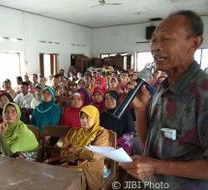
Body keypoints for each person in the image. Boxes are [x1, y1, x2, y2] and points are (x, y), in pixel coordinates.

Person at [120, 10, 208, 189]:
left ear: (195, 43)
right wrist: (141, 109)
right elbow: (150, 147)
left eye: (166, 38)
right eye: (153, 40)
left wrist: (157, 167)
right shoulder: (160, 90)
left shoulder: (203, 93)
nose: (156, 47)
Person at [60, 105, 109, 190]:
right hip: (70, 165)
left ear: (94, 118)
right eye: (82, 118)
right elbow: (63, 152)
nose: (84, 120)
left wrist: (73, 149)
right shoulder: (73, 131)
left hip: (89, 169)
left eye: (88, 118)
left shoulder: (102, 133)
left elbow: (93, 155)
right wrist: (81, 154)